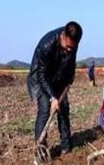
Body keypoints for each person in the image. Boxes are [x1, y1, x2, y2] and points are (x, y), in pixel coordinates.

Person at [27, 21, 83, 154]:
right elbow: (41, 75)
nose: (70, 50)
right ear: (63, 36)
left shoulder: (73, 43)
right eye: (68, 47)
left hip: (60, 77)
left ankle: (66, 147)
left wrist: (70, 78)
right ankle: (41, 150)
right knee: (45, 110)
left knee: (64, 109)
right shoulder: (46, 45)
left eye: (73, 47)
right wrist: (52, 98)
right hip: (42, 79)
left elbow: (71, 62)